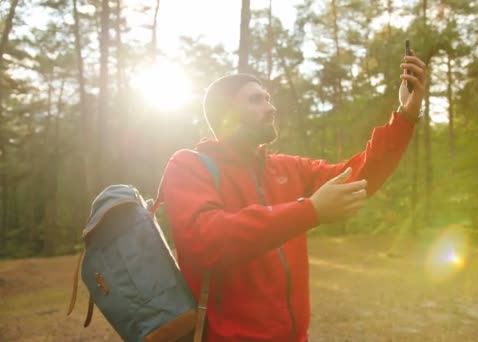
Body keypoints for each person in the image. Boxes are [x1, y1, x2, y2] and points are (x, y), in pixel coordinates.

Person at [159, 54, 427, 341]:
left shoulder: (287, 167)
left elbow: (358, 177)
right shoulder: (189, 165)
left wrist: (405, 115)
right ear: (226, 114)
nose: (271, 108)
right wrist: (309, 211)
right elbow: (206, 240)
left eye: (268, 98)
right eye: (256, 100)